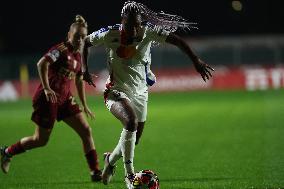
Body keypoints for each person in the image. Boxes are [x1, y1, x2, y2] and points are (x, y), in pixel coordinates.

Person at [82, 1, 214, 188]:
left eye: (137, 24)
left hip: (141, 91)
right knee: (130, 122)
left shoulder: (148, 31)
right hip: (115, 90)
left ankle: (110, 160)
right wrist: (84, 69)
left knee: (132, 139)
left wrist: (196, 60)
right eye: (129, 24)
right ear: (122, 21)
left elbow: (178, 41)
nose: (134, 29)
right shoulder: (109, 33)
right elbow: (85, 43)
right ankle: (129, 176)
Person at [0, 15, 102, 182]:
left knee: (86, 131)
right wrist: (47, 88)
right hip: (48, 99)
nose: (80, 40)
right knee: (40, 140)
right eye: (77, 36)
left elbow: (78, 79)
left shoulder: (80, 54)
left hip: (65, 98)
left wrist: (84, 104)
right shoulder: (61, 49)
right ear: (69, 34)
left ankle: (95, 172)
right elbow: (42, 63)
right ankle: (7, 152)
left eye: (83, 37)